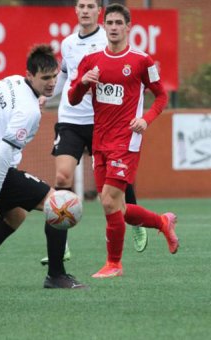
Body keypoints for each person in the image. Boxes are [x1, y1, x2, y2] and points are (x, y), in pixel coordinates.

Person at [0, 44, 86, 289]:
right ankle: (56, 275)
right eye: (45, 78)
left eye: (55, 76)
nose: (51, 82)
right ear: (30, 76)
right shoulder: (28, 111)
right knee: (57, 204)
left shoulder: (9, 82)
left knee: (14, 216)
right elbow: (4, 151)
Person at [68, 3, 179, 278]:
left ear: (129, 27)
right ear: (103, 26)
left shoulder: (142, 61)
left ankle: (114, 264)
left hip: (127, 140)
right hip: (99, 140)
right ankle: (162, 222)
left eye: (120, 23)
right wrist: (83, 82)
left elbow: (161, 96)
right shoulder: (91, 61)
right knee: (116, 206)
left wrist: (146, 119)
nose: (115, 27)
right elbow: (71, 98)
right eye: (111, 23)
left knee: (107, 202)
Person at [40, 0, 148, 266]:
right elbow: (65, 75)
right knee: (62, 176)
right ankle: (61, 244)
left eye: (90, 5)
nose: (85, 10)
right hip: (71, 119)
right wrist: (48, 95)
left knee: (117, 185)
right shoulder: (67, 44)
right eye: (81, 5)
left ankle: (134, 220)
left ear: (99, 11)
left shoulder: (109, 38)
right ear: (75, 10)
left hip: (105, 121)